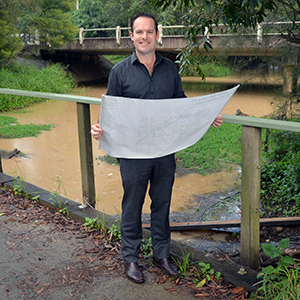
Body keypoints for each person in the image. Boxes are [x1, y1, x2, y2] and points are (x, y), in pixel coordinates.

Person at [91, 12, 223, 284]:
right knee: (132, 206)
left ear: (157, 35)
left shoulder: (170, 69)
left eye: (149, 32)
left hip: (164, 151)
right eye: (139, 32)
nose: (144, 36)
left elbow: (181, 104)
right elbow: (112, 112)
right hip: (132, 154)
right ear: (131, 36)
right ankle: (131, 259)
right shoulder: (119, 72)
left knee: (161, 204)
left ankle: (161, 254)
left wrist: (205, 115)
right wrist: (100, 129)